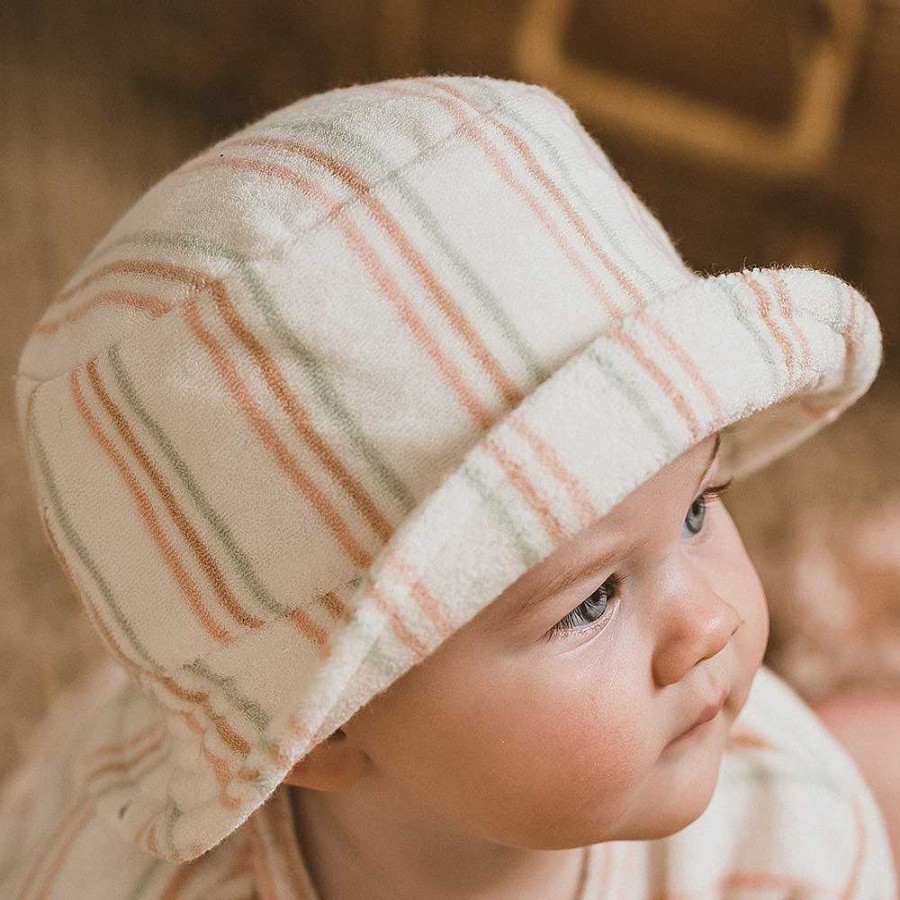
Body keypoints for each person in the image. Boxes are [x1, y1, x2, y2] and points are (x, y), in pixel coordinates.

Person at [1, 74, 895, 899]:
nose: (711, 624)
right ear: (321, 730)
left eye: (699, 508)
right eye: (590, 602)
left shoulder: (786, 839)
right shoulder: (110, 877)